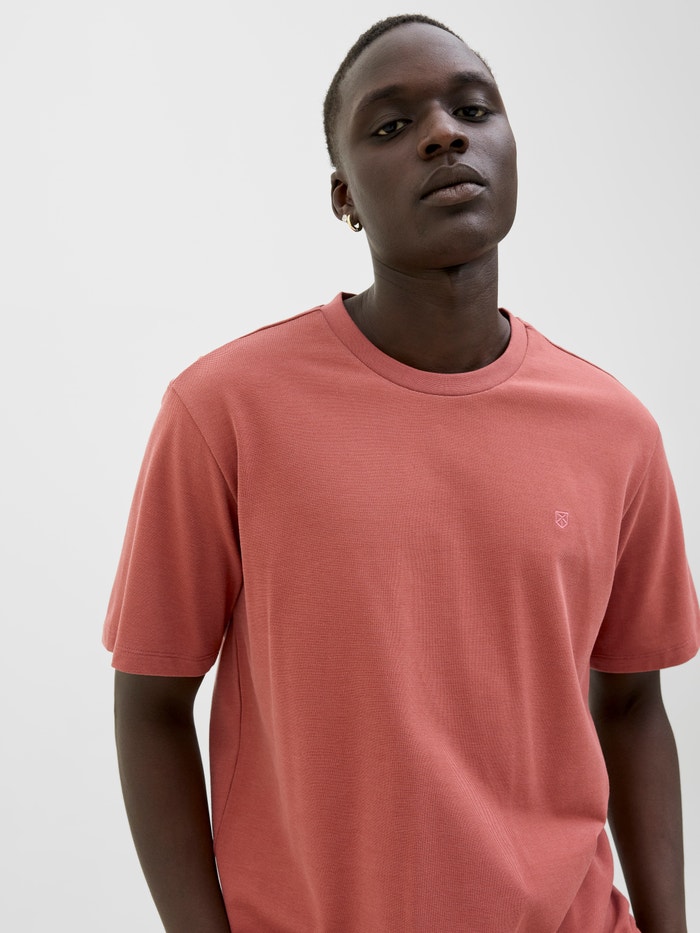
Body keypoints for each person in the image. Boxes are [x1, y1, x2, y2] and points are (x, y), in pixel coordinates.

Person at [104, 14, 699, 933]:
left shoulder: (616, 429)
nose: (443, 134)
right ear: (344, 196)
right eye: (391, 124)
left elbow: (631, 706)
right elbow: (150, 704)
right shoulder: (223, 412)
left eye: (474, 109)